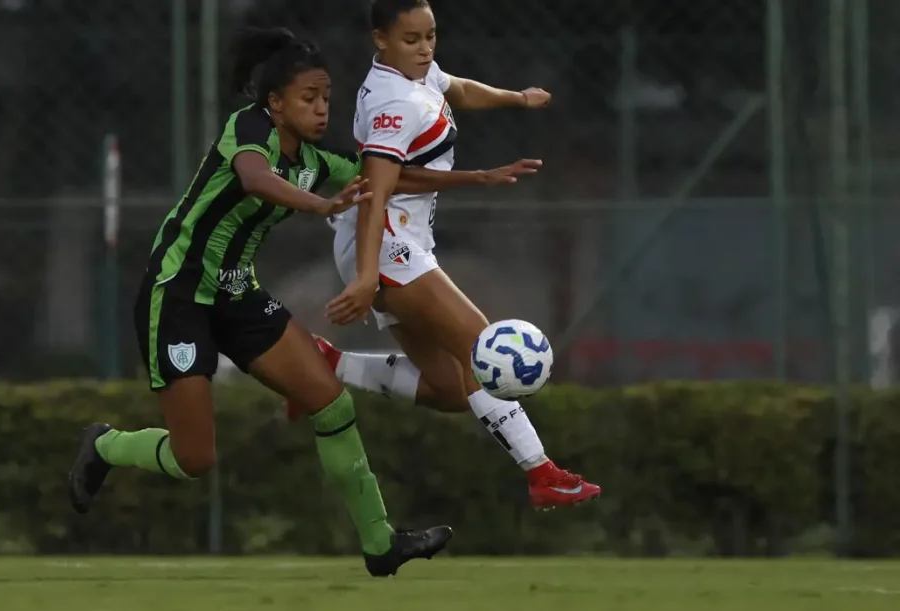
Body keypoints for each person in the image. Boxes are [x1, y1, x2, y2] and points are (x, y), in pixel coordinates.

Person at [63, 26, 513, 577]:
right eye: (309, 98)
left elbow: (388, 177)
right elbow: (254, 180)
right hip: (177, 295)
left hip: (238, 296)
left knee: (332, 403)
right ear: (275, 103)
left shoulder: (318, 161)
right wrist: (319, 207)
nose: (322, 108)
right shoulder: (247, 129)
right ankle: (106, 446)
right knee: (194, 459)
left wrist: (479, 178)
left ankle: (380, 545)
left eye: (326, 97)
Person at [320, 0, 602, 509]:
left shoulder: (413, 74)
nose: (426, 48)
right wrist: (365, 278)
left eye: (431, 35)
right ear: (380, 39)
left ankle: (327, 365)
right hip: (385, 245)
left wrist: (517, 98)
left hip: (398, 243)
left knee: (449, 389)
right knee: (483, 348)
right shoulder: (395, 103)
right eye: (412, 39)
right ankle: (542, 472)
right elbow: (374, 192)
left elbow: (460, 90)